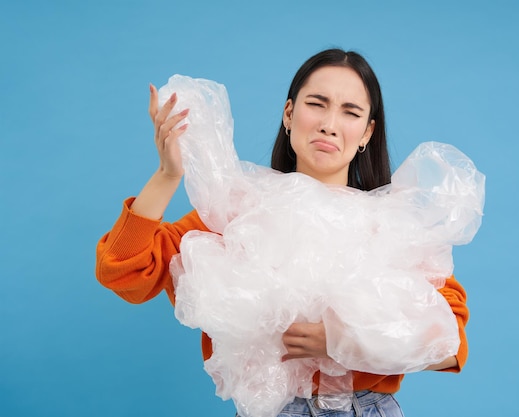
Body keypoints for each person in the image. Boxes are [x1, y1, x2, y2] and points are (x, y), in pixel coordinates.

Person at [96, 48, 470, 417]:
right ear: (289, 114)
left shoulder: (392, 225)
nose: (329, 123)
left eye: (350, 112)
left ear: (366, 133)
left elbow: (451, 345)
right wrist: (168, 175)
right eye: (317, 104)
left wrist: (344, 340)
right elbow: (123, 269)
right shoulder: (237, 211)